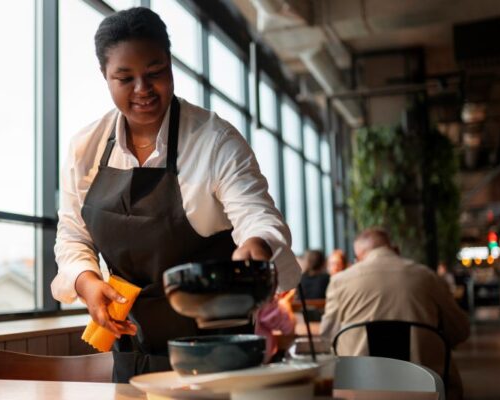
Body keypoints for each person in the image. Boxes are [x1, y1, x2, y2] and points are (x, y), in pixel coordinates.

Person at [50, 8, 300, 382]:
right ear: (105, 76)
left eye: (155, 73)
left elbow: (258, 216)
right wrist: (87, 282)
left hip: (220, 355)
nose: (143, 90)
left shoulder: (214, 140)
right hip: (132, 355)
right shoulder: (84, 148)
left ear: (170, 64)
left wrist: (258, 247)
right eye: (125, 78)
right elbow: (72, 235)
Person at [320, 228, 470, 400]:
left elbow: (326, 338)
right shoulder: (427, 276)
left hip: (359, 386)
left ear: (359, 256)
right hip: (425, 386)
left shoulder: (340, 281)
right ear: (394, 248)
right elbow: (461, 331)